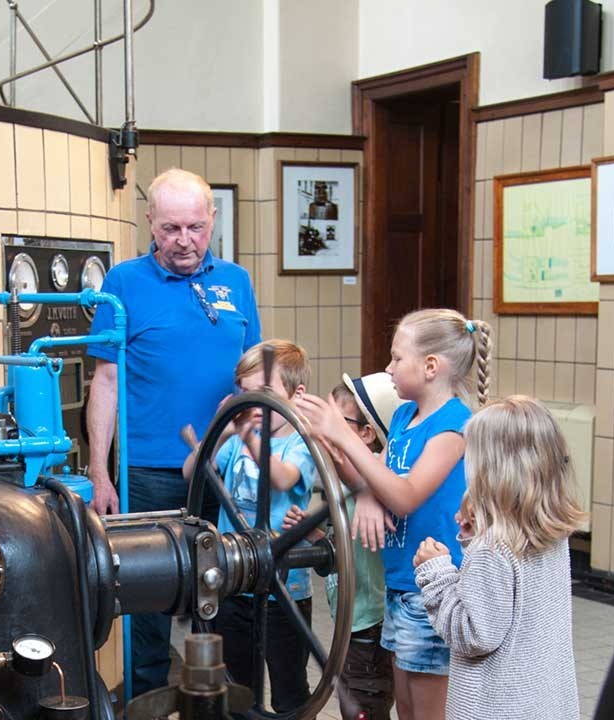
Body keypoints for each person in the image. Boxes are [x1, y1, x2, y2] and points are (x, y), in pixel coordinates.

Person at [86, 168, 261, 696]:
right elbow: (105, 381)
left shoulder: (235, 281)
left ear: (212, 221)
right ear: (150, 224)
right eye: (170, 229)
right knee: (147, 601)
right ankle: (144, 702)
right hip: (149, 473)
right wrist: (99, 472)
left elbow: (257, 371)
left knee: (229, 587)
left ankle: (222, 700)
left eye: (194, 227)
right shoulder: (123, 283)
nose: (184, 241)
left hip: (224, 467)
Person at [296, 309, 491, 720]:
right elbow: (370, 478)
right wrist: (325, 438)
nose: (388, 367)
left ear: (431, 367)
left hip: (434, 589)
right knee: (404, 706)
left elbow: (403, 496)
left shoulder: (454, 427)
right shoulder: (404, 416)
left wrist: (343, 435)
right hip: (401, 585)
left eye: (397, 358)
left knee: (426, 712)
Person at [413, 395, 584, 720]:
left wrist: (436, 575)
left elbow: (475, 634)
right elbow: (505, 599)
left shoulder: (493, 549)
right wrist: (475, 535)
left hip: (495, 707)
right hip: (543, 702)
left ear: (492, 471)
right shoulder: (551, 534)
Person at [181, 339, 317, 713]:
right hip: (232, 583)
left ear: (296, 393)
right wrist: (221, 430)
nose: (254, 404)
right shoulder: (235, 441)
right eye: (245, 393)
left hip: (283, 592)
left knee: (290, 687)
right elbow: (190, 472)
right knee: (238, 686)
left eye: (264, 393)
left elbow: (283, 479)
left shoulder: (300, 444)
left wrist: (247, 437)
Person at [283, 379, 395, 720]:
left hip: (369, 627)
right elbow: (348, 553)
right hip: (353, 621)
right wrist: (315, 535)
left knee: (363, 707)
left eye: (336, 421)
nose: (325, 428)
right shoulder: (348, 486)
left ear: (366, 434)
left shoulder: (373, 481)